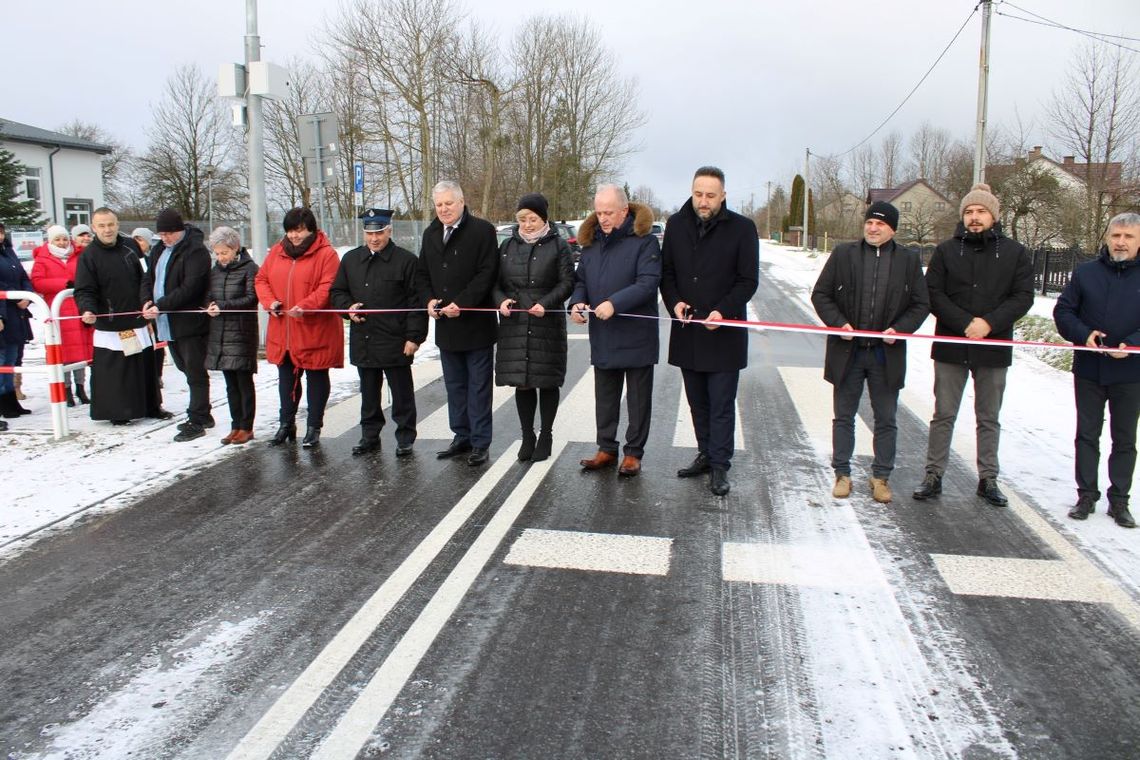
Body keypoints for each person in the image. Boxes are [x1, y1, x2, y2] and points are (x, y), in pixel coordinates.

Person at [912, 183, 1034, 507]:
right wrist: (965, 322)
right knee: (943, 413)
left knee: (988, 416)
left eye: (981, 211)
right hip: (952, 344)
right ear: (963, 216)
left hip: (993, 347)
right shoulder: (947, 251)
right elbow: (933, 292)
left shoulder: (1015, 253)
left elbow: (1022, 297)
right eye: (969, 212)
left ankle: (988, 478)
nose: (975, 217)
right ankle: (934, 474)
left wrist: (989, 323)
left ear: (994, 215)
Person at [810, 201, 930, 503]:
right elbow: (821, 294)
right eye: (869, 222)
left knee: (886, 418)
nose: (872, 228)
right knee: (844, 416)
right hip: (848, 352)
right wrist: (839, 324)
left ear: (893, 229)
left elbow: (921, 304)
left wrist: (900, 329)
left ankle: (880, 477)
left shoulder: (908, 260)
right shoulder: (843, 254)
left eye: (880, 224)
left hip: (884, 356)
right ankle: (842, 473)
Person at [660, 167, 759, 496]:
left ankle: (720, 465)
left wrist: (723, 311)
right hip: (688, 331)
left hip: (724, 333)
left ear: (724, 196)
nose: (703, 201)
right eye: (698, 194)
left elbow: (748, 280)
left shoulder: (743, 229)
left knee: (720, 403)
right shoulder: (676, 225)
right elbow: (668, 274)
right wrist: (674, 304)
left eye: (710, 196)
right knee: (697, 402)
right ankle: (705, 452)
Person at [1054, 212, 1140, 529]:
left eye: (1129, 237)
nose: (1121, 242)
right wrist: (1083, 333)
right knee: (1087, 434)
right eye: (1116, 235)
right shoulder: (1086, 273)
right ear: (1107, 238)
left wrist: (1131, 344)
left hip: (1130, 373)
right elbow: (1063, 310)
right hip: (1089, 368)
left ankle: (1119, 500)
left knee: (1125, 438)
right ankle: (1086, 495)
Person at [570, 184, 662, 477]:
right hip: (604, 334)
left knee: (637, 400)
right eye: (598, 212)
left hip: (636, 333)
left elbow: (648, 283)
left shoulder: (645, 241)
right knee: (605, 397)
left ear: (624, 210)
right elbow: (580, 279)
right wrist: (577, 302)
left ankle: (633, 453)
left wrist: (614, 303)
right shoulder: (591, 243)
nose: (603, 218)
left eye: (609, 212)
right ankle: (606, 448)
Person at [331, 208, 427, 457]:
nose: (374, 238)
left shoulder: (406, 261)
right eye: (370, 233)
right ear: (364, 232)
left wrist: (414, 337)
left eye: (380, 232)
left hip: (396, 340)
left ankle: (405, 436)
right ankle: (369, 436)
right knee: (368, 393)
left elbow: (416, 303)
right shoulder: (351, 260)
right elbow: (338, 292)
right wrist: (347, 308)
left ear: (389, 230)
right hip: (364, 337)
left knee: (402, 393)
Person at [417, 180, 499, 466]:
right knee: (455, 386)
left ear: (461, 202)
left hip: (476, 324)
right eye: (439, 205)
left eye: (448, 203)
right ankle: (461, 435)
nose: (443, 209)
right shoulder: (430, 234)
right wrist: (428, 300)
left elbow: (487, 273)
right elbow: (422, 273)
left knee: (478, 387)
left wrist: (462, 304)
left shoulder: (482, 231)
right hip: (446, 327)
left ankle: (480, 442)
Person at [492, 193, 575, 462]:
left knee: (546, 381)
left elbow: (567, 282)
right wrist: (501, 300)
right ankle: (527, 435)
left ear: (544, 219)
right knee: (523, 382)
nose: (527, 224)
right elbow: (495, 283)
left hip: (545, 321)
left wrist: (547, 303)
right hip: (515, 321)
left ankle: (546, 434)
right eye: (522, 219)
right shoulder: (506, 246)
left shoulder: (559, 245)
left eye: (533, 219)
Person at [255, 206, 344, 448]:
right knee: (287, 379)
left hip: (313, 328)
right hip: (284, 329)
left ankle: (314, 426)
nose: (294, 236)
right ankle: (287, 423)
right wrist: (269, 301)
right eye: (290, 231)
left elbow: (328, 287)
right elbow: (261, 279)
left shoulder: (326, 254)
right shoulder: (277, 251)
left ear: (311, 230)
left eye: (299, 231)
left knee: (316, 377)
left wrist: (306, 305)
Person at [73, 208, 168, 425]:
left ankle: (151, 406)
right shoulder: (89, 256)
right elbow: (84, 289)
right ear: (94, 228)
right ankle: (118, 411)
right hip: (111, 322)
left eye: (111, 224)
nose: (107, 230)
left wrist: (148, 302)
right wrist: (87, 309)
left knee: (143, 364)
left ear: (117, 225)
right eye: (102, 226)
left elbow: (145, 277)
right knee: (117, 370)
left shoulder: (131, 246)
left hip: (137, 319)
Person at [142, 209, 213, 442]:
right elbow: (147, 279)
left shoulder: (195, 251)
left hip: (188, 322)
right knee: (183, 367)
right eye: (161, 234)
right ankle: (201, 411)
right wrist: (147, 301)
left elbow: (190, 287)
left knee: (194, 370)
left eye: (169, 233)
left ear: (180, 230)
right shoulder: (159, 250)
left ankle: (199, 415)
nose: (165, 238)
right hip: (165, 321)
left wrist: (161, 305)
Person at [204, 226, 260, 445]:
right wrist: (209, 305)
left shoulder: (249, 268)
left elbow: (250, 298)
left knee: (243, 382)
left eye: (224, 253)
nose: (221, 257)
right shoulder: (215, 271)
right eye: (217, 253)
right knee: (230, 384)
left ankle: (247, 426)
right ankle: (235, 425)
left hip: (241, 332)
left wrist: (224, 306)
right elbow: (208, 294)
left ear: (235, 248)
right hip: (220, 333)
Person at [31, 225, 94, 406]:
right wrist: (64, 283)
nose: (62, 242)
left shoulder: (79, 255)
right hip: (58, 309)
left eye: (64, 239)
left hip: (78, 307)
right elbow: (38, 282)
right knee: (63, 351)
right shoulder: (42, 260)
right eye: (57, 239)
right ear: (50, 241)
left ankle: (80, 387)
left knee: (82, 349)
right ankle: (66, 389)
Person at [0, 227, 34, 419]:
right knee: (1, 358)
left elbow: (22, 276)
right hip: (4, 310)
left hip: (16, 314)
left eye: (1, 232)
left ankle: (10, 401)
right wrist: (15, 297)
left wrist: (26, 295)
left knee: (12, 359)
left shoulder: (9, 252)